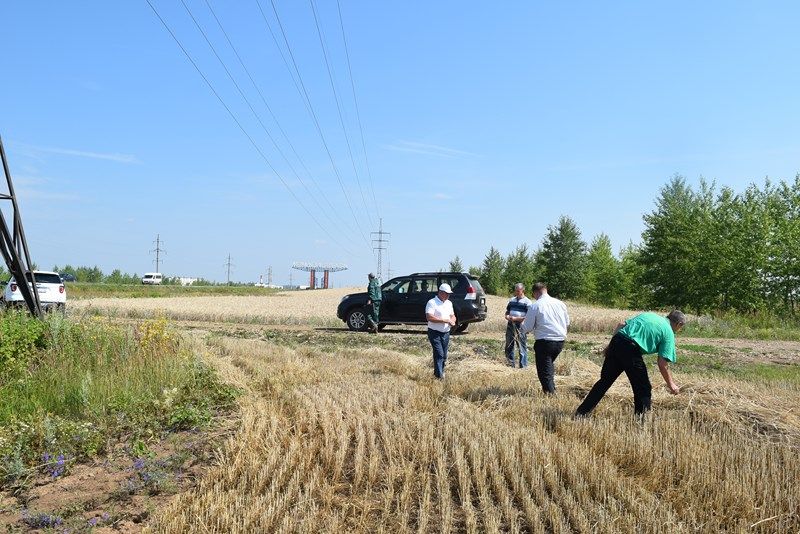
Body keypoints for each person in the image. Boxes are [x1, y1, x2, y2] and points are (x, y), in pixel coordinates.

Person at [575, 310, 685, 417]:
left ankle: (581, 413)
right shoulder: (668, 332)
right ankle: (641, 421)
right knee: (643, 387)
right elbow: (662, 364)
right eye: (681, 328)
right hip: (630, 348)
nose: (679, 330)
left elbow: (621, 324)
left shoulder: (649, 315)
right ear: (679, 324)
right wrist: (672, 385)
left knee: (604, 381)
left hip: (617, 340)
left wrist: (610, 346)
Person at [521, 282, 570, 393]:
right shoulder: (560, 303)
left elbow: (527, 327)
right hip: (560, 341)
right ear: (545, 290)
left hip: (545, 342)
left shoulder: (536, 305)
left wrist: (522, 328)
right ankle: (551, 389)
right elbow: (567, 323)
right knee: (548, 367)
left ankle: (550, 395)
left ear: (535, 292)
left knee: (544, 372)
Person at [426, 283, 456, 379]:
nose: (448, 295)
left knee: (444, 355)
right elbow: (429, 317)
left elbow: (452, 315)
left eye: (449, 294)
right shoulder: (432, 302)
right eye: (446, 293)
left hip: (446, 333)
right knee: (439, 354)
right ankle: (439, 377)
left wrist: (453, 321)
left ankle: (439, 373)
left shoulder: (449, 303)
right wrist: (444, 320)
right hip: (434, 332)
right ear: (440, 292)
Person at [505, 283, 532, 368]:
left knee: (521, 346)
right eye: (515, 290)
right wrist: (507, 316)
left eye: (518, 291)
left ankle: (523, 366)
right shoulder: (512, 300)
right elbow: (507, 311)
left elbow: (528, 317)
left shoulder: (527, 302)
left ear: (523, 290)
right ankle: (510, 364)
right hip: (510, 324)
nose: (516, 292)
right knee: (509, 345)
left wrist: (516, 318)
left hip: (520, 326)